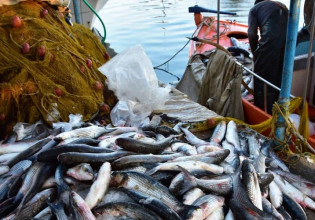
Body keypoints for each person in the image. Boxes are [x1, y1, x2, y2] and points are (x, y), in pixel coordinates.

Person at [248, 0, 288, 114]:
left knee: (261, 79)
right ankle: (277, 109)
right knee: (277, 77)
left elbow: (251, 34)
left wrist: (256, 53)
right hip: (288, 44)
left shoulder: (254, 9)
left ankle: (262, 114)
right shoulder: (280, 5)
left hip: (269, 44)